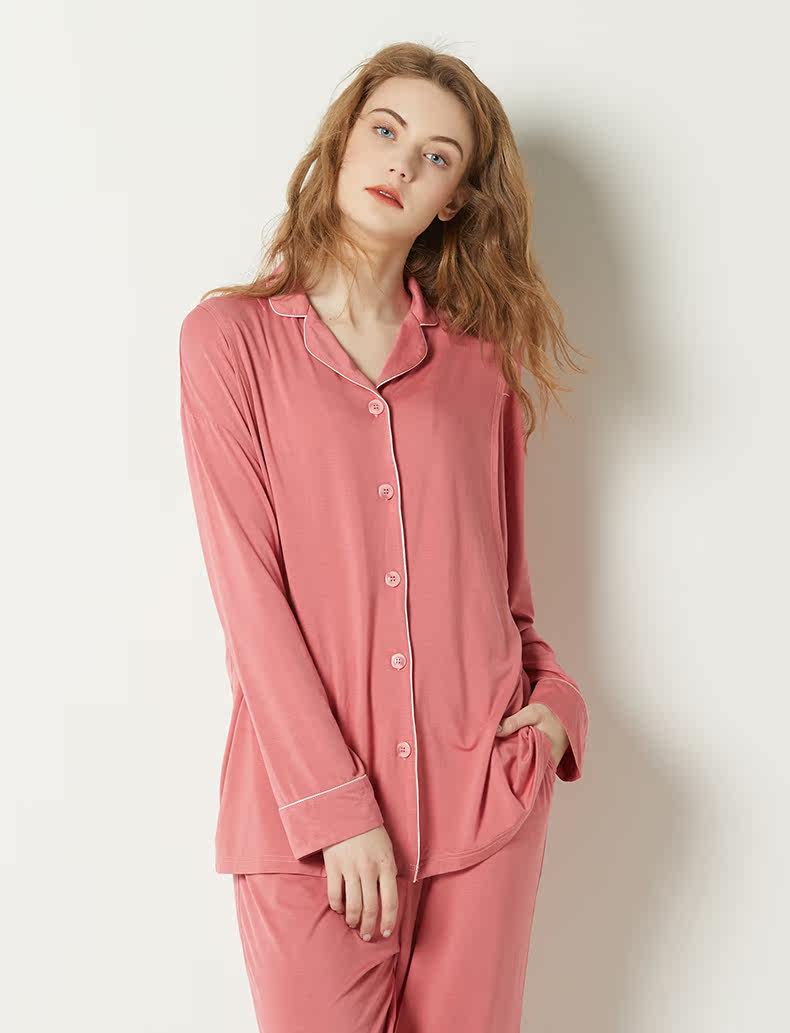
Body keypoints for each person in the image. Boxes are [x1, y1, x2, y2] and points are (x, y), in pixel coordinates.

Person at [179, 40, 590, 1033]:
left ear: (454, 198)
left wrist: (555, 709)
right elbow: (249, 597)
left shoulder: (477, 367)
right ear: (344, 139)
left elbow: (506, 591)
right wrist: (335, 806)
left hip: (482, 801)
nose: (402, 163)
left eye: (436, 156)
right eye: (387, 130)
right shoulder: (229, 344)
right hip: (303, 827)